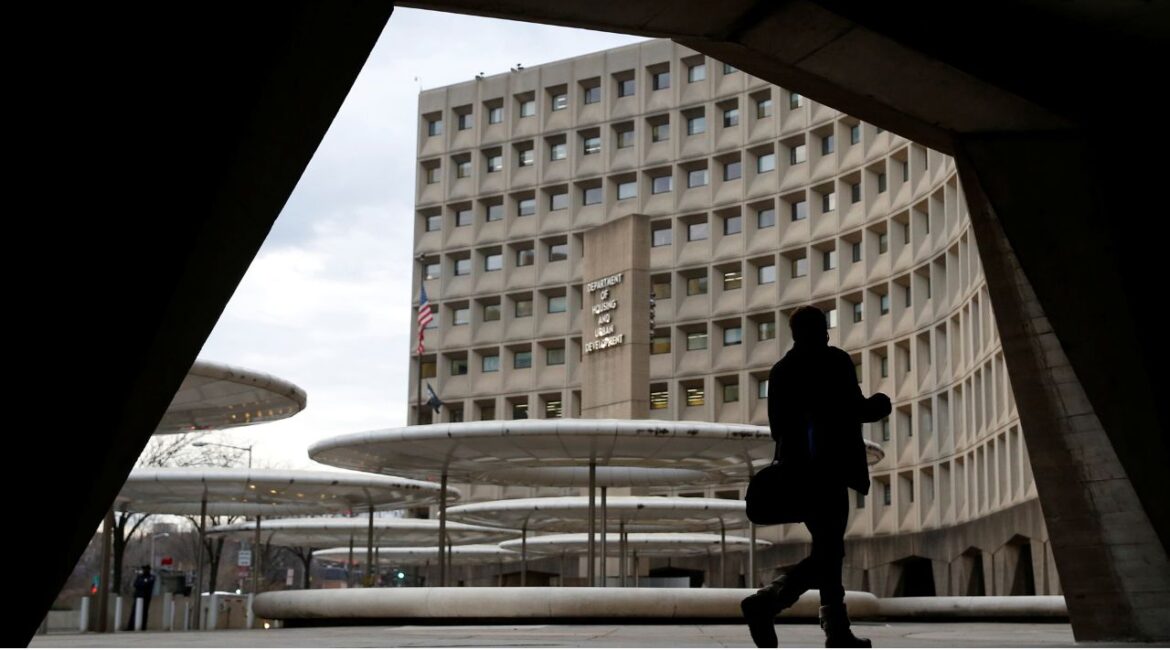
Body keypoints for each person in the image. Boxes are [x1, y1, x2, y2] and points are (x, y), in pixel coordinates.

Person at [741, 306, 891, 648]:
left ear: (794, 334)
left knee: (828, 548)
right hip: (830, 472)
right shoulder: (834, 361)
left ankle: (836, 630)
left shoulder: (780, 371)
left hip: (797, 473)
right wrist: (881, 404)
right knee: (829, 551)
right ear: (822, 330)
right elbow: (859, 408)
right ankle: (768, 601)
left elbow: (777, 427)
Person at [124, 565, 156, 631]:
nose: (144, 571)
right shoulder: (140, 576)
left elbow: (148, 584)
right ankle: (131, 626)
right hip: (138, 596)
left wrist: (143, 583)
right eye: (144, 569)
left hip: (146, 597)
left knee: (144, 612)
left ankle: (143, 627)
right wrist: (144, 582)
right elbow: (136, 584)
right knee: (134, 612)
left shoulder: (152, 577)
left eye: (146, 569)